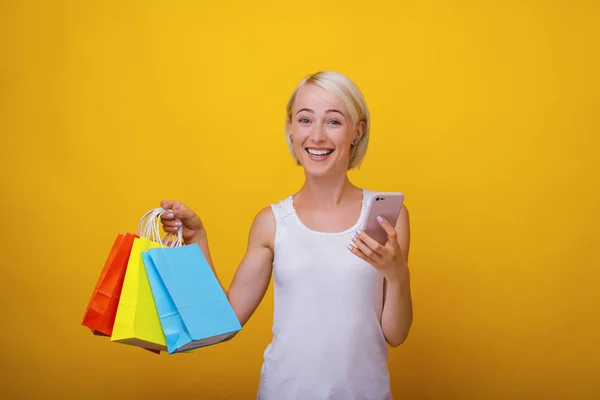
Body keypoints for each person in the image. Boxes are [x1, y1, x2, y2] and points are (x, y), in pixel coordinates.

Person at [159, 71, 413, 400]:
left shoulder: (386, 218)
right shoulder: (272, 223)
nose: (317, 136)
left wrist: (396, 275)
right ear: (291, 128)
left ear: (357, 130)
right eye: (305, 120)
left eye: (334, 122)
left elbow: (396, 334)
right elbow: (224, 323)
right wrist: (198, 240)